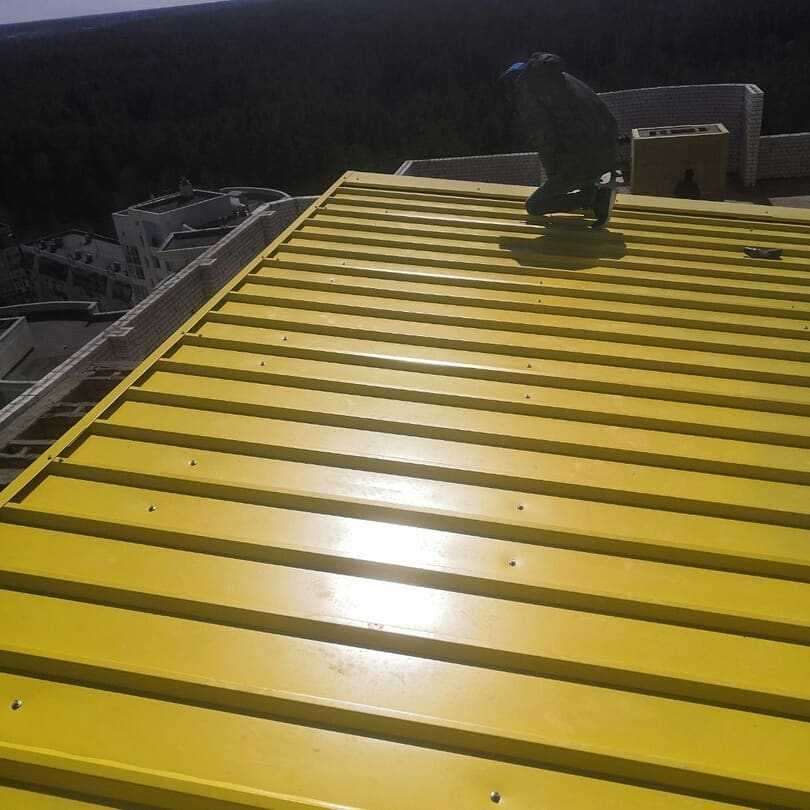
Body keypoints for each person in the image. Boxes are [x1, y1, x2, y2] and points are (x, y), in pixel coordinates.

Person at [500, 52, 619, 228]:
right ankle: (590, 192)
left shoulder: (530, 92)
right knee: (575, 167)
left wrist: (555, 174)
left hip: (585, 158)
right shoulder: (561, 77)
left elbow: (545, 138)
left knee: (535, 206)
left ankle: (595, 199)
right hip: (608, 147)